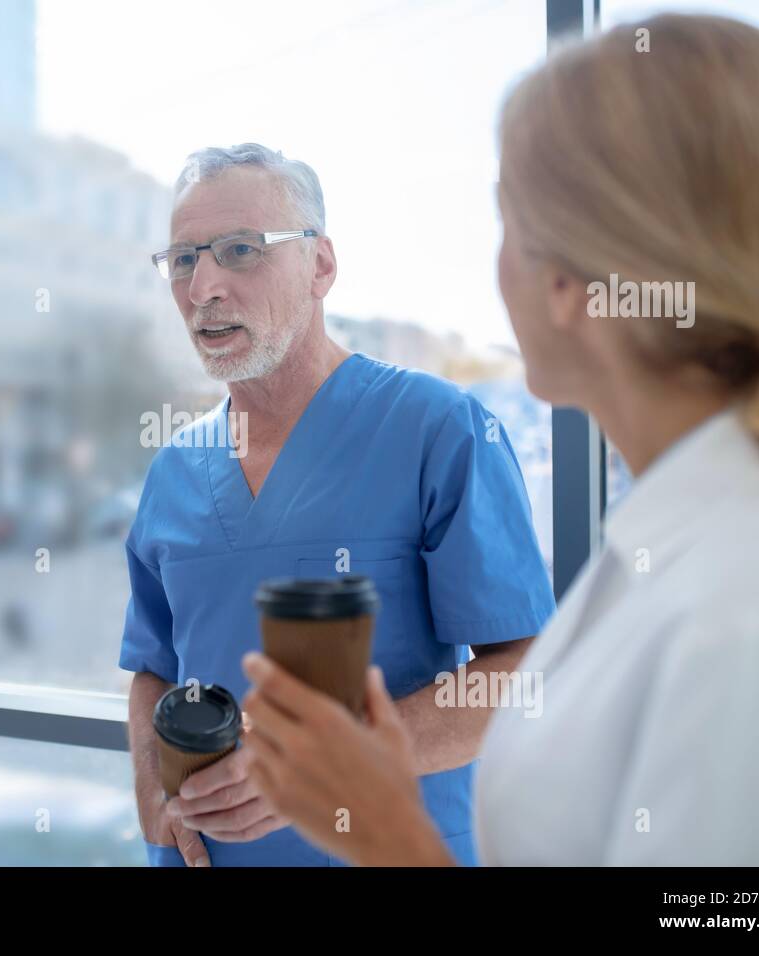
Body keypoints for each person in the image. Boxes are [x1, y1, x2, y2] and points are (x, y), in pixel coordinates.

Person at [240, 14, 759, 866]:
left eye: (507, 225)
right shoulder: (677, 546)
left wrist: (386, 831)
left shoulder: (750, 609)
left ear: (565, 283)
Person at [121, 143, 554, 866]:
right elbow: (153, 669)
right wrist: (148, 783)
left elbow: (522, 669)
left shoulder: (438, 429)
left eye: (239, 249)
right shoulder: (174, 468)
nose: (204, 287)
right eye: (185, 260)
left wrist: (317, 765)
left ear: (321, 265)